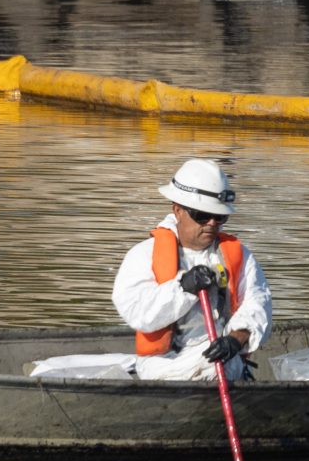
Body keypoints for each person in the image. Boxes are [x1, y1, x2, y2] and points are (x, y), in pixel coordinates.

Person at [112, 158, 272, 383]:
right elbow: (137, 313)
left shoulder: (239, 256)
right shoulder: (144, 254)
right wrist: (183, 288)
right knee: (203, 368)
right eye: (201, 215)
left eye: (220, 217)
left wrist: (235, 340)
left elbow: (258, 303)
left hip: (225, 363)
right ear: (177, 210)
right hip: (166, 366)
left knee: (221, 367)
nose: (212, 223)